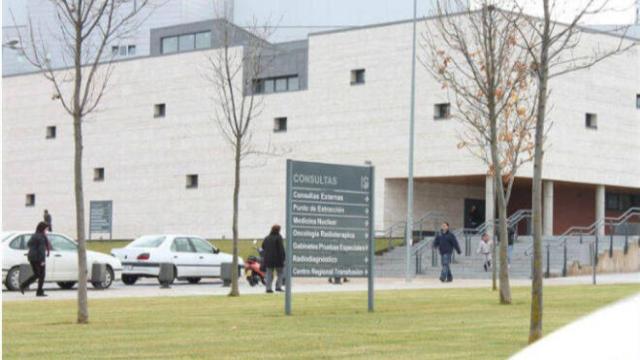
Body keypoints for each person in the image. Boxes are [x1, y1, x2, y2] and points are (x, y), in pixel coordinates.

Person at [20, 222, 51, 296]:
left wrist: (34, 248)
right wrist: (42, 261)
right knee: (41, 275)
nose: (46, 230)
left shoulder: (35, 235)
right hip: (38, 258)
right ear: (42, 228)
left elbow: (28, 244)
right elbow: (41, 250)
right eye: (46, 229)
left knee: (37, 274)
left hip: (32, 257)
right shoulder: (41, 237)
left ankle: (25, 286)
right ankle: (37, 291)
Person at [261, 224, 285, 293]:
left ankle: (268, 288)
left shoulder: (267, 238)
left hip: (268, 260)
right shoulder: (279, 237)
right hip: (278, 260)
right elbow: (281, 249)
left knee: (269, 274)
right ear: (278, 230)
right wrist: (283, 258)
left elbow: (263, 246)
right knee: (280, 273)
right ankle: (278, 287)